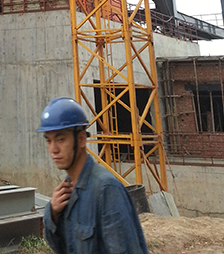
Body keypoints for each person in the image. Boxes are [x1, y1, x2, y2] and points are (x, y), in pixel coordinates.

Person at [37, 97, 149, 254]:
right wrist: (53, 214)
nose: (53, 149)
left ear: (82, 139)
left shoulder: (106, 190)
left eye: (60, 139)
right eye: (49, 141)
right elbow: (61, 248)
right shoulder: (66, 191)